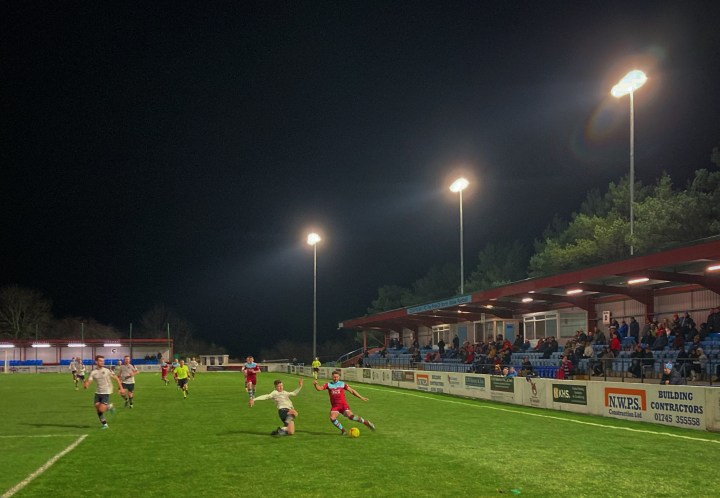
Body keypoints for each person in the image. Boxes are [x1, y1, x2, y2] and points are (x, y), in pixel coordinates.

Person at [313, 370, 375, 435]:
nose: (335, 378)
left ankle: (366, 423)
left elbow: (352, 391)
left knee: (351, 417)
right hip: (335, 407)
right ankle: (343, 431)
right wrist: (315, 384)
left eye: (337, 377)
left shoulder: (342, 384)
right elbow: (319, 388)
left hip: (343, 405)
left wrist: (361, 397)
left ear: (339, 377)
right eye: (334, 377)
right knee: (332, 418)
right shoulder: (328, 384)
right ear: (332, 377)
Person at [83, 355, 125, 429]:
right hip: (98, 392)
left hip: (106, 391)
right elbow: (89, 381)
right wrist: (86, 385)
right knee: (97, 408)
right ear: (96, 361)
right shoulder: (93, 372)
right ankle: (104, 424)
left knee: (101, 409)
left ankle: (110, 407)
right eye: (100, 361)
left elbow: (117, 379)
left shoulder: (107, 370)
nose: (102, 362)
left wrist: (121, 389)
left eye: (103, 361)